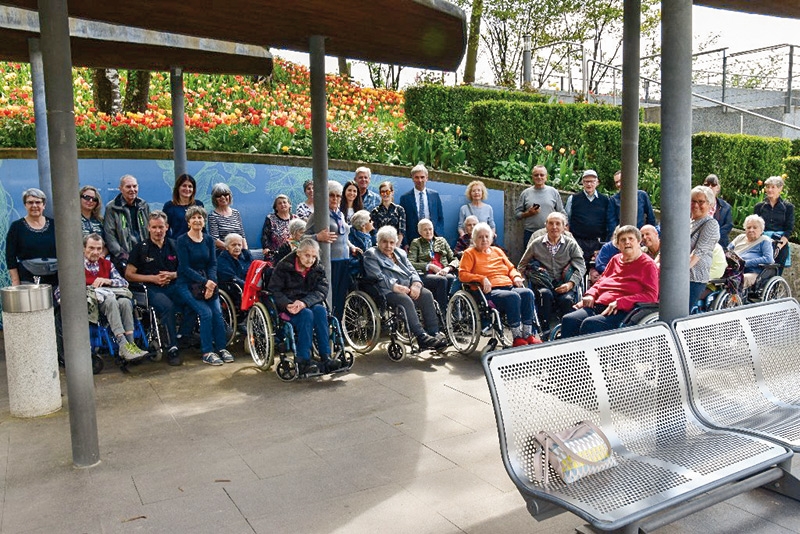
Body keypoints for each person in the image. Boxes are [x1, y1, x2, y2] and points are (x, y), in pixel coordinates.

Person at [560, 225, 659, 338]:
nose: (627, 242)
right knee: (569, 320)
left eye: (631, 239)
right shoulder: (615, 259)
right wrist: (591, 294)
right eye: (623, 240)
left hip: (624, 311)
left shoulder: (647, 264)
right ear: (618, 244)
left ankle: (587, 355)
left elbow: (651, 296)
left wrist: (621, 302)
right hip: (599, 304)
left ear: (638, 242)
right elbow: (602, 280)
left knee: (590, 324)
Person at [363, 226, 448, 350]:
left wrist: (416, 284)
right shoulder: (371, 255)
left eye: (392, 242)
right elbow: (377, 276)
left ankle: (434, 332)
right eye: (384, 242)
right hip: (387, 291)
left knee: (426, 294)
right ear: (378, 242)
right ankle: (421, 336)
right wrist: (395, 286)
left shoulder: (400, 253)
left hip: (407, 287)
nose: (388, 245)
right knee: (405, 300)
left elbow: (412, 270)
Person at [267, 238, 342, 375]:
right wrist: (287, 304)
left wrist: (305, 302)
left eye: (314, 256)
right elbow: (274, 291)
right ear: (298, 253)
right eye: (307, 255)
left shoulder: (317, 268)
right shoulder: (283, 267)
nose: (310, 260)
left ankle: (326, 357)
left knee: (320, 310)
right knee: (306, 314)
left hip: (307, 303)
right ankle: (303, 360)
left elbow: (321, 290)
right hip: (289, 306)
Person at [460, 222, 541, 346]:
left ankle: (528, 334)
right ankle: (517, 337)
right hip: (489, 291)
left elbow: (511, 268)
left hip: (508, 286)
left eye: (487, 236)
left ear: (492, 238)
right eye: (480, 237)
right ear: (474, 239)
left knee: (527, 293)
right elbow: (463, 274)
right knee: (512, 297)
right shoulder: (469, 253)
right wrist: (481, 279)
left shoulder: (497, 251)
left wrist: (516, 276)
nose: (484, 239)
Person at [176, 206, 234, 366]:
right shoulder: (182, 241)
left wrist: (211, 283)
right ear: (188, 222)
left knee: (217, 312)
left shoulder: (209, 240)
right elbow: (184, 268)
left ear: (204, 221)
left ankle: (221, 348)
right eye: (193, 218)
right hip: (187, 284)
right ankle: (207, 351)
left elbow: (213, 264)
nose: (197, 220)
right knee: (206, 313)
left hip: (208, 282)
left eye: (200, 217)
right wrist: (205, 282)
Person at [125, 211, 182, 366]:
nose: (158, 231)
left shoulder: (174, 245)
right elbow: (129, 274)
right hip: (151, 289)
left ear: (167, 227)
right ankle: (172, 348)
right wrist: (153, 279)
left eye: (161, 227)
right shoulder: (140, 248)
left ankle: (185, 335)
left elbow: (185, 270)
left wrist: (172, 275)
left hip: (173, 285)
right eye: (154, 227)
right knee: (167, 307)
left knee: (193, 299)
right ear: (148, 228)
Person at [83, 233, 148, 361]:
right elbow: (61, 291)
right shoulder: (76, 266)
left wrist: (108, 281)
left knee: (124, 301)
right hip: (93, 303)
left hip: (111, 296)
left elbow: (124, 283)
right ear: (84, 248)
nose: (95, 252)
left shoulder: (107, 264)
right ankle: (122, 345)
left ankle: (131, 344)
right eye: (91, 248)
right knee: (111, 301)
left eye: (98, 248)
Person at [517, 212, 585, 333]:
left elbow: (581, 266)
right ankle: (545, 331)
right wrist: (522, 281)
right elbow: (522, 265)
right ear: (546, 226)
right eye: (551, 223)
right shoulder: (536, 243)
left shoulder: (570, 244)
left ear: (564, 226)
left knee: (567, 300)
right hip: (544, 283)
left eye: (558, 224)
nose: (554, 227)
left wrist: (570, 284)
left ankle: (567, 331)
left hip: (564, 282)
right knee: (544, 295)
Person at [306, 181, 360, 320]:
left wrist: (351, 246)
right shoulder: (318, 214)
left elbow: (343, 235)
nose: (335, 199)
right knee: (330, 295)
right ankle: (328, 325)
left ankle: (338, 326)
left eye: (338, 196)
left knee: (341, 296)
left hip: (344, 260)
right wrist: (317, 236)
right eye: (331, 195)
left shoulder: (340, 214)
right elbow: (301, 238)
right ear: (325, 197)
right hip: (329, 262)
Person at [6, 188, 58, 287]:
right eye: (30, 202)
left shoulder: (55, 225)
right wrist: (15, 282)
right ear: (25, 205)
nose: (34, 206)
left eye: (38, 202)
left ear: (44, 205)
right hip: (28, 281)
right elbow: (10, 257)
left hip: (56, 281)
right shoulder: (16, 227)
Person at [408, 218, 459, 312]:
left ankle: (453, 311)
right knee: (442, 280)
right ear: (419, 232)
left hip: (443, 272)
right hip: (425, 274)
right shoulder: (416, 243)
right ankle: (442, 312)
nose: (428, 232)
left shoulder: (441, 241)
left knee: (451, 278)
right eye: (425, 230)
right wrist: (429, 266)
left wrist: (448, 268)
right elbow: (410, 263)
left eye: (430, 229)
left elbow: (454, 259)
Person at [103, 174, 151, 273]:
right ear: (120, 189)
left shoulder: (144, 205)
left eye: (135, 186)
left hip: (144, 256)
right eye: (128, 187)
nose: (132, 189)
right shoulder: (112, 207)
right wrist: (121, 255)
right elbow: (109, 235)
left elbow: (150, 230)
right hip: (122, 258)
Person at [514, 165, 565, 249]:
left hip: (550, 233)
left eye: (542, 175)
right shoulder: (526, 193)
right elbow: (517, 214)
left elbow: (561, 212)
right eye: (536, 175)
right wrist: (528, 213)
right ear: (532, 177)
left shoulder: (553, 192)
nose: (539, 177)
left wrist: (564, 228)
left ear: (546, 177)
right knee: (530, 260)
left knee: (550, 260)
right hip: (530, 233)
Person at [565, 170, 609, 266]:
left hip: (597, 242)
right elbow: (566, 220)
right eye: (586, 181)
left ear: (597, 183)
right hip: (577, 241)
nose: (589, 184)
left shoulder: (605, 200)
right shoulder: (573, 199)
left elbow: (608, 221)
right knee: (578, 268)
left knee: (596, 270)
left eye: (592, 181)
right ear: (582, 183)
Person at [690, 185, 721, 311]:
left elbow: (698, 253)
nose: (696, 205)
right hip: (680, 274)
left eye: (701, 202)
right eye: (693, 201)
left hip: (694, 277)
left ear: (710, 204)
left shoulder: (711, 224)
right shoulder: (688, 222)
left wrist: (676, 274)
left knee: (680, 313)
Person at [754, 175, 795, 267]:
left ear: (780, 189)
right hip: (762, 243)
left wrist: (779, 247)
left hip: (780, 244)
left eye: (773, 187)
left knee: (774, 273)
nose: (769, 190)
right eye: (768, 187)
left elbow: (789, 229)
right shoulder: (759, 207)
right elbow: (755, 226)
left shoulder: (788, 207)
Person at [400, 164, 444, 245]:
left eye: (422, 177)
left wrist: (438, 236)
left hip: (433, 238)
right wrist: (405, 243)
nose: (420, 180)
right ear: (412, 178)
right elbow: (403, 222)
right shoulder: (405, 198)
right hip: (413, 240)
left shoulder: (434, 195)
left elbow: (440, 218)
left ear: (427, 178)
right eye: (416, 177)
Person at [606, 170, 657, 240]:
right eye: (616, 182)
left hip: (640, 237)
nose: (618, 184)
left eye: (620, 181)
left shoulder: (642, 195)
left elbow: (651, 217)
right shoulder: (613, 200)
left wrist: (649, 234)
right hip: (623, 237)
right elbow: (611, 222)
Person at [729, 214, 774, 288]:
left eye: (755, 227)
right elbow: (727, 251)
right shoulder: (740, 238)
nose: (751, 230)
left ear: (761, 229)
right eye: (748, 227)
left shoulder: (764, 240)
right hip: (733, 269)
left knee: (738, 280)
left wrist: (745, 263)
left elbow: (769, 259)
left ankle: (733, 298)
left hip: (752, 272)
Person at [207, 182, 247, 252]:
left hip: (239, 253)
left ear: (229, 196)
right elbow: (215, 240)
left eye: (225, 194)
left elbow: (242, 236)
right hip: (223, 254)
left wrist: (246, 251)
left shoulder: (236, 213)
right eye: (218, 195)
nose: (222, 197)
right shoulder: (213, 216)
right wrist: (232, 249)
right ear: (214, 199)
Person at [163, 173, 204, 239]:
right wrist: (171, 243)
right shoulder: (169, 206)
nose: (187, 189)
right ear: (178, 188)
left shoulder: (199, 204)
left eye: (190, 186)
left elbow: (203, 228)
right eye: (184, 186)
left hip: (197, 245)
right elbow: (165, 228)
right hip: (177, 245)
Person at [261, 194, 297, 263]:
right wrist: (266, 248)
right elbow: (265, 235)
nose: (282, 204)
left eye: (284, 202)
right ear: (276, 207)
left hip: (292, 254)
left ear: (289, 205)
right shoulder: (270, 218)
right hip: (274, 254)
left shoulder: (296, 219)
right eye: (280, 203)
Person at [370, 180, 406, 245]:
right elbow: (374, 232)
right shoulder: (375, 211)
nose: (385, 194)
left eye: (387, 191)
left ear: (392, 192)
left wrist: (396, 247)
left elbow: (401, 231)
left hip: (396, 244)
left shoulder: (399, 210)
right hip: (380, 245)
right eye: (382, 192)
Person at [703, 174, 733, 248]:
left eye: (713, 185)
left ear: (718, 188)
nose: (710, 187)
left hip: (719, 243)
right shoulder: (696, 204)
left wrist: (713, 235)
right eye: (707, 185)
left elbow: (728, 225)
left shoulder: (726, 207)